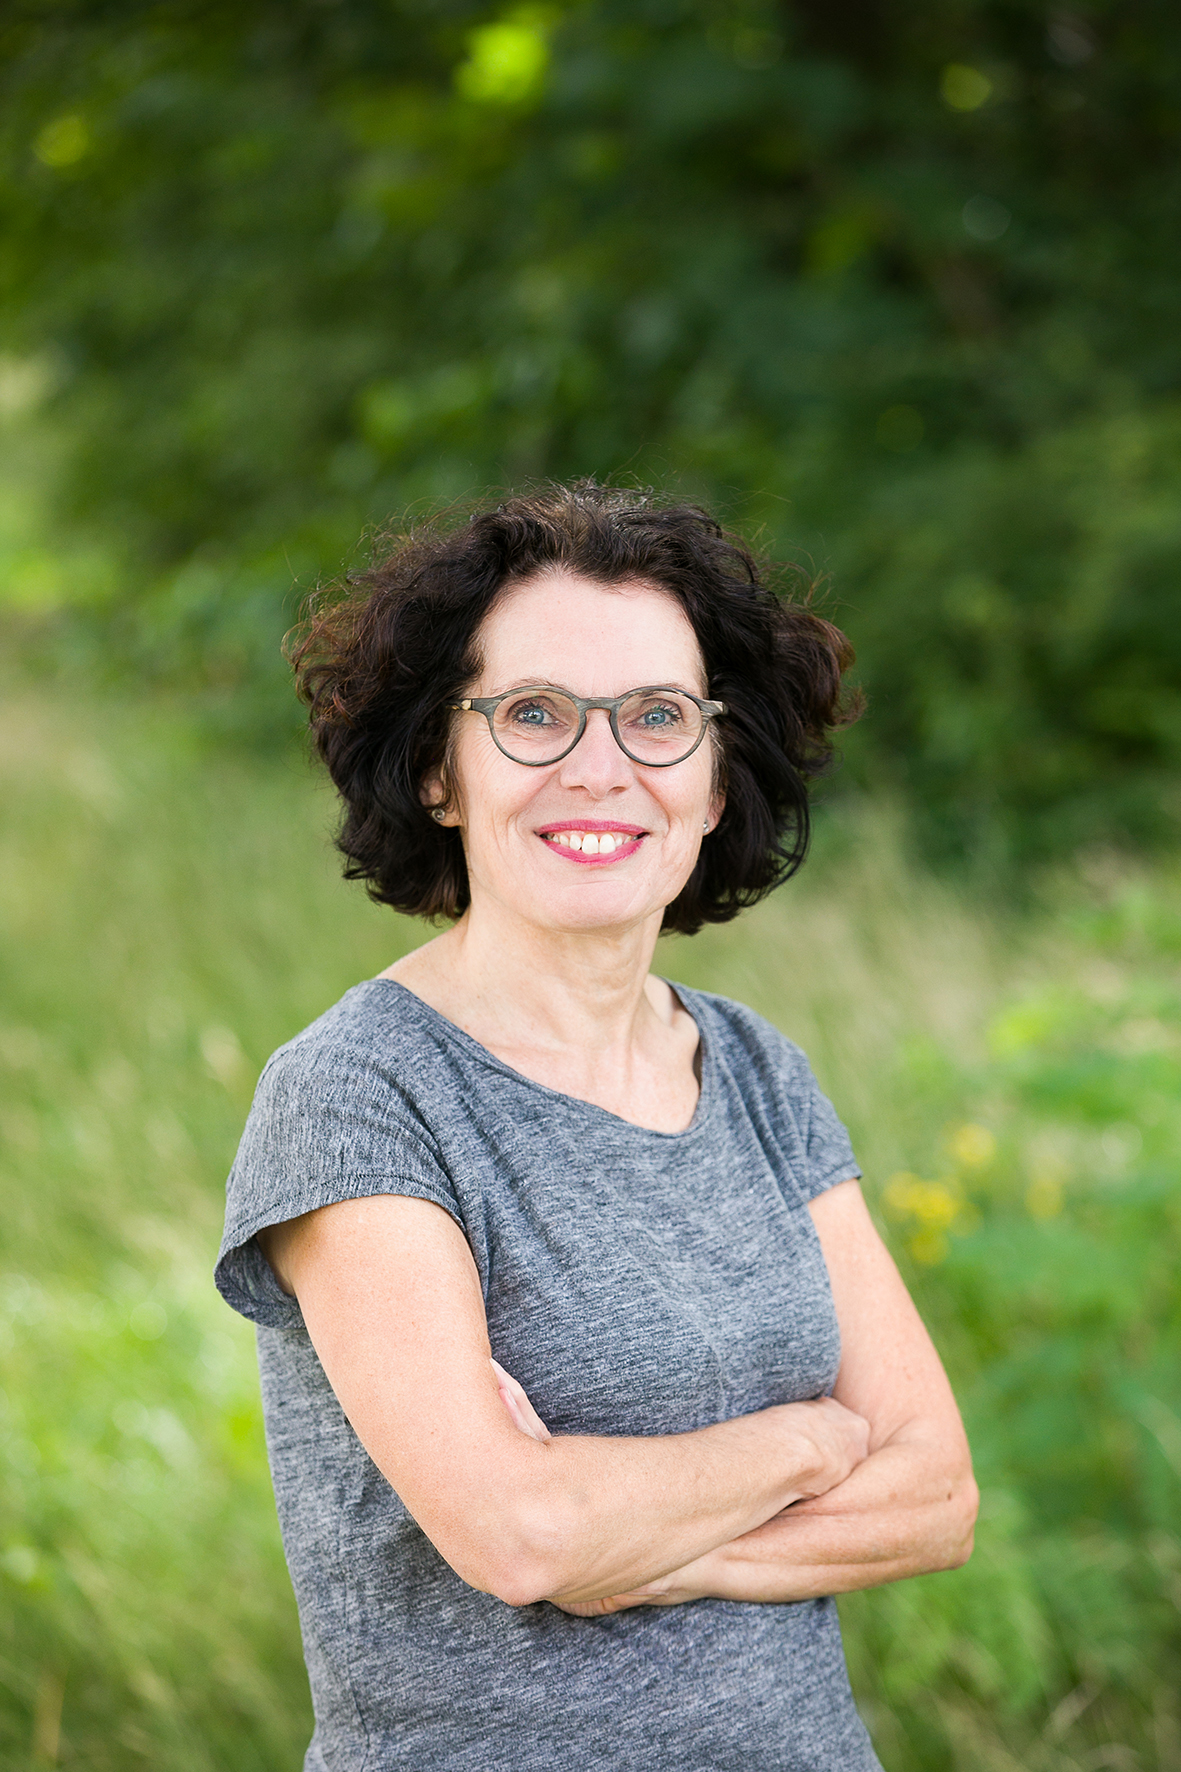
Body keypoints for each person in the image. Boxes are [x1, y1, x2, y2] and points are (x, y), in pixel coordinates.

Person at [215, 483, 977, 1772]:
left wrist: (642, 1536)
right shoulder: (359, 1093)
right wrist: (813, 1440)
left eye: (659, 717)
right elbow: (523, 1538)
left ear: (716, 782)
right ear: (439, 772)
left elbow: (939, 1495)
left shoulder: (756, 1069)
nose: (600, 765)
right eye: (533, 714)